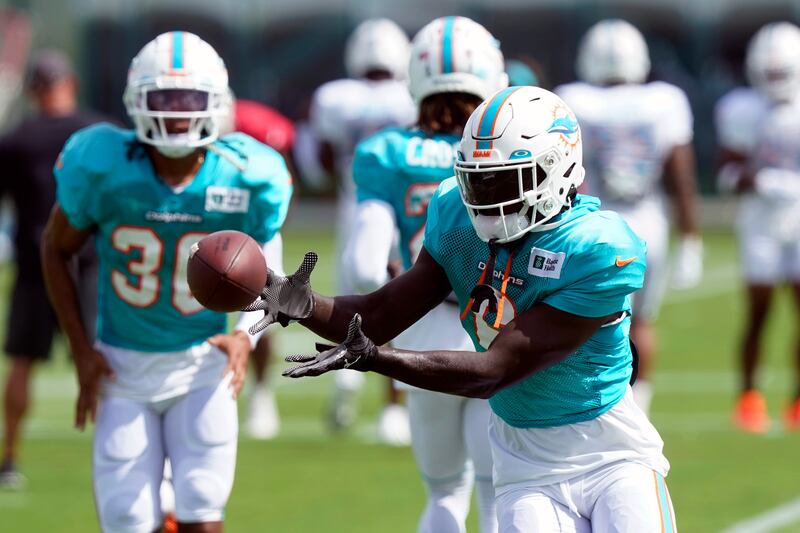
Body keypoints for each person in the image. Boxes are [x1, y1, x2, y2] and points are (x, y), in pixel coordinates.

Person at [245, 86, 676, 532]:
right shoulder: (456, 217)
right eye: (477, 180)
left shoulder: (597, 248)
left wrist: (375, 358)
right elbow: (381, 313)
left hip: (611, 454)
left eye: (504, 180)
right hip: (526, 465)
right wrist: (304, 305)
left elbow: (495, 370)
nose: (486, 196)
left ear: (555, 169)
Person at [41, 31, 292, 531]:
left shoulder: (246, 173)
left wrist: (246, 336)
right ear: (137, 100)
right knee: (127, 516)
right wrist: (81, 349)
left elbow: (272, 262)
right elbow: (55, 247)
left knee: (202, 507)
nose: (176, 113)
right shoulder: (102, 164)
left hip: (204, 364)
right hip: (121, 368)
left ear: (215, 102)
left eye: (189, 100)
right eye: (164, 99)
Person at [344, 16, 506, 533]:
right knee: (497, 493)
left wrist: (402, 286)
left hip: (422, 340)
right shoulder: (501, 149)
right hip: (494, 332)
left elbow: (363, 265)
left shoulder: (386, 153)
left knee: (443, 492)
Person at [555, 19, 703, 415]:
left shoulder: (573, 98)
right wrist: (691, 237)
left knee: (585, 319)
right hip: (648, 222)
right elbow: (681, 175)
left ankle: (592, 402)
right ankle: (639, 405)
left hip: (591, 224)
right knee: (643, 320)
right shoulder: (665, 101)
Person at [0, 50, 107, 489]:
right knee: (105, 359)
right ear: (72, 84)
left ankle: (9, 457)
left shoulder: (18, 139)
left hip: (35, 264)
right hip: (89, 263)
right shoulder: (100, 134)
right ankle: (118, 452)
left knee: (22, 362)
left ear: (32, 90)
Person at [307, 17, 417, 442]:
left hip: (356, 206)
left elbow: (322, 160)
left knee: (348, 298)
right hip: (404, 208)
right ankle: (394, 406)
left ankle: (345, 378)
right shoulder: (409, 96)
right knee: (403, 301)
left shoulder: (334, 97)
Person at [715, 22, 800, 433]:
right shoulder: (740, 108)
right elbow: (726, 172)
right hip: (760, 219)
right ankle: (749, 397)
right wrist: (755, 180)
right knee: (759, 311)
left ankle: (797, 399)